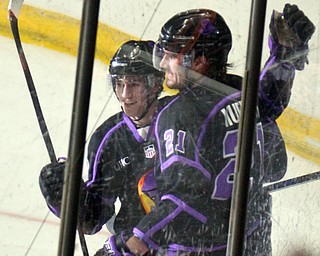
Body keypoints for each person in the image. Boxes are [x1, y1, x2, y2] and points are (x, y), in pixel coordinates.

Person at [100, 4, 315, 256]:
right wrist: (284, 58)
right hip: (252, 239)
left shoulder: (179, 114)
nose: (164, 63)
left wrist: (135, 240)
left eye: (172, 56)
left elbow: (183, 200)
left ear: (199, 62)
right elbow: (269, 104)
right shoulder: (238, 92)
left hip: (199, 249)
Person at [39, 40, 168, 237]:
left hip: (185, 239)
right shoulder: (107, 140)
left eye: (134, 84)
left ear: (155, 84)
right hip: (134, 243)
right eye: (119, 84)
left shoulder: (180, 118)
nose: (125, 94)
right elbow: (92, 220)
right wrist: (66, 198)